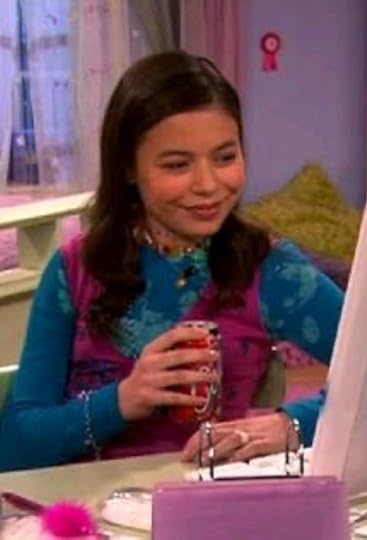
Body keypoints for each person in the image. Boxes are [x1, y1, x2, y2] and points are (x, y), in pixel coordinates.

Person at [0, 50, 343, 471]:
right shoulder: (76, 268)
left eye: (225, 157)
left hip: (209, 501)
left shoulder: (271, 269)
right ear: (128, 168)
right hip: (84, 505)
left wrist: (291, 424)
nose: (208, 185)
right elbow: (15, 447)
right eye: (178, 165)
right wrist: (122, 401)